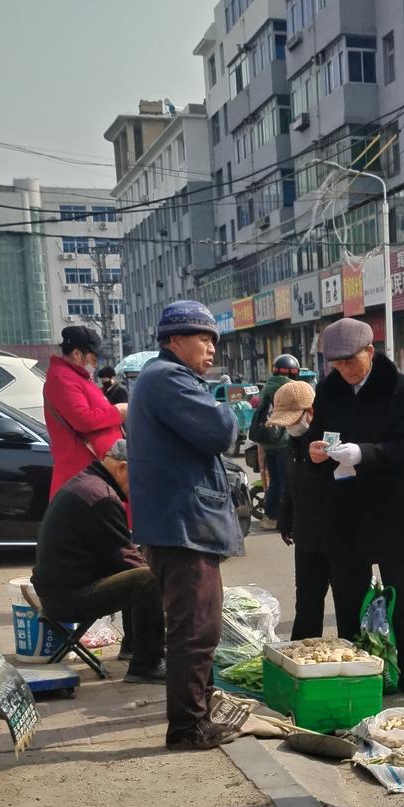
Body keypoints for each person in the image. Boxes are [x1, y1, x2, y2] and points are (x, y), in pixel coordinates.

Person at [127, 300, 245, 751]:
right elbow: (220, 432)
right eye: (202, 337)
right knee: (196, 630)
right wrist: (226, 409)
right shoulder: (169, 379)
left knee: (196, 626)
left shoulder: (164, 379)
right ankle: (187, 728)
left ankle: (196, 714)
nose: (211, 347)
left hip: (179, 522)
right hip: (183, 525)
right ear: (173, 340)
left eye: (214, 338)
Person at [307, 318, 404, 694]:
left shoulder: (401, 388)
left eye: (349, 361)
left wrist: (364, 453)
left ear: (370, 352)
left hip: (392, 506)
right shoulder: (327, 391)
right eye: (335, 364)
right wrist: (313, 449)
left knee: (402, 592)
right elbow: (317, 435)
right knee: (348, 592)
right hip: (345, 508)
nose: (343, 370)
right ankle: (358, 663)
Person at [31, 439, 165, 684]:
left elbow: (119, 553)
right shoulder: (101, 497)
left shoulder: (88, 483)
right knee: (146, 579)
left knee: (138, 568)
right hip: (66, 600)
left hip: (61, 588)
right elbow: (126, 561)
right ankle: (147, 665)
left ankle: (134, 647)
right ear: (122, 468)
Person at [272, 379, 332, 639]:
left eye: (294, 419)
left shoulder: (329, 438)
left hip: (335, 533)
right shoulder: (294, 442)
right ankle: (303, 651)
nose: (291, 427)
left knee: (346, 601)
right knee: (307, 600)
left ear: (311, 412)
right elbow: (291, 484)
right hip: (306, 535)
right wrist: (285, 519)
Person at [42, 325, 125, 496]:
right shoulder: (62, 378)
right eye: (94, 359)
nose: (96, 365)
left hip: (98, 473)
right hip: (83, 475)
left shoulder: (77, 377)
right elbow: (83, 420)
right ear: (77, 354)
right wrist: (118, 412)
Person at [249, 352, 302, 529]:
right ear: (294, 372)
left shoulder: (266, 387)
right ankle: (286, 519)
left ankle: (269, 517)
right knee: (287, 481)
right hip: (284, 442)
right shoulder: (292, 388)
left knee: (276, 481)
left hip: (267, 442)